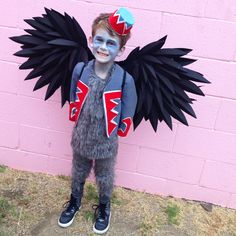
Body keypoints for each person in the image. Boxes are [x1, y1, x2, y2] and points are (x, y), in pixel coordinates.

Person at [58, 7, 137, 234]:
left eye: (111, 43)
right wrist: (73, 112)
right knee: (78, 169)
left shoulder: (125, 80)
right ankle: (74, 201)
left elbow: (129, 105)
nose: (103, 47)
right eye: (99, 40)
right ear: (91, 40)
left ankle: (104, 207)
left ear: (121, 50)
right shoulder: (81, 69)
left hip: (106, 140)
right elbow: (73, 93)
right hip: (81, 135)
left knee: (105, 174)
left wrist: (122, 127)